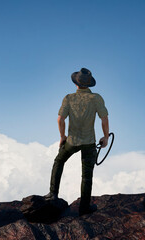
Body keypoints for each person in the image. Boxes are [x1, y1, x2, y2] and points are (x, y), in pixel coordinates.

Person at [45, 67, 109, 216]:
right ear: (89, 84)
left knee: (59, 161)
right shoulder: (96, 98)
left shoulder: (68, 98)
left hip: (72, 141)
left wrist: (62, 137)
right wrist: (105, 137)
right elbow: (104, 119)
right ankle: (84, 208)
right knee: (87, 176)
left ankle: (52, 194)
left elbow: (60, 119)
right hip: (89, 142)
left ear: (76, 84)